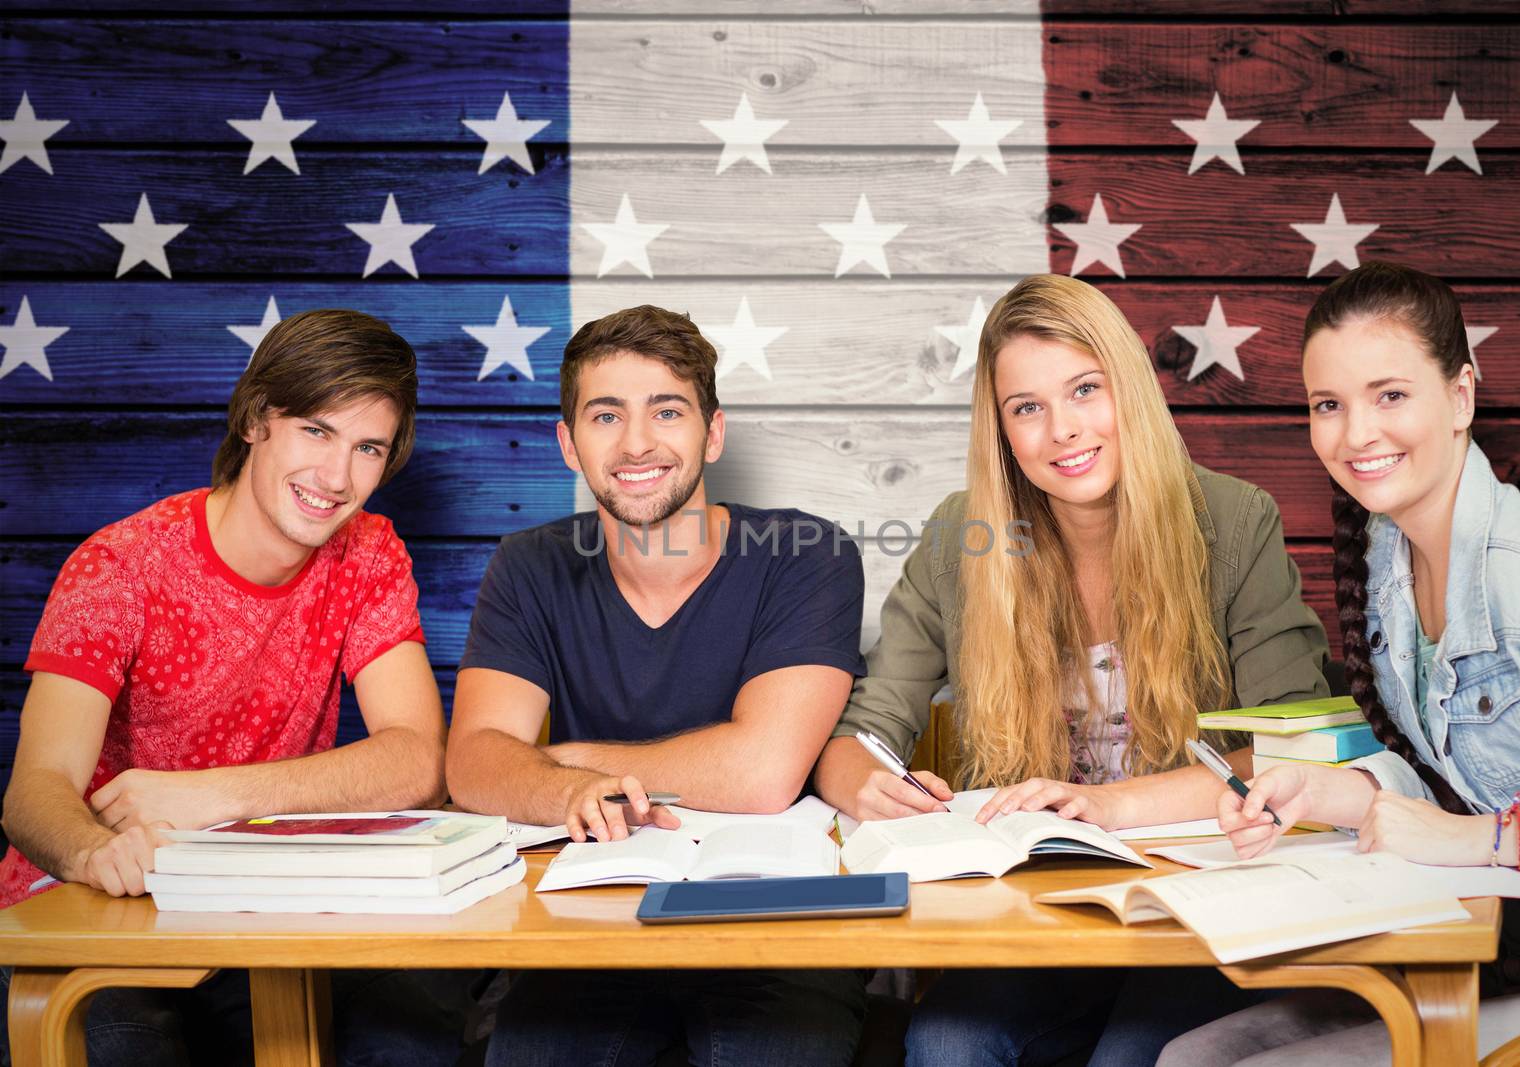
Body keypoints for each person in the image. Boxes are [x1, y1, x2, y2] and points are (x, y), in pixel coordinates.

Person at [812, 273, 1332, 1067]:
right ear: (1003, 430)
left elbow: (1298, 744)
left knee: (1129, 1055)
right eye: (1028, 407)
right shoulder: (962, 538)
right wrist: (864, 783)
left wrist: (1106, 804)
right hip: (1042, 911)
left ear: (1126, 387)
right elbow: (862, 730)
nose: (1063, 430)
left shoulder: (1233, 519)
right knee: (945, 1039)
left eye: (1085, 389)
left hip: (1199, 905)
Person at [1157, 263, 1520, 1065]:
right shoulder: (1389, 556)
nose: (1356, 433)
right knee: (1193, 1058)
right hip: (1486, 952)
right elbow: (1444, 782)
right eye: (1329, 404)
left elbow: (1465, 825)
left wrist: (1482, 840)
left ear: (1461, 395)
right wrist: (1337, 794)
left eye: (1389, 394)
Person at [0, 309, 463, 1066]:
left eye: (367, 447)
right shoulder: (119, 566)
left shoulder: (369, 553)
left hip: (256, 909)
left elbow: (418, 761)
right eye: (317, 430)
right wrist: (92, 852)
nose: (337, 477)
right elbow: (35, 791)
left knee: (410, 1033)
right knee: (126, 1049)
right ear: (257, 420)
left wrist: (216, 797)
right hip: (97, 909)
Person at [446, 304, 869, 1066]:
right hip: (592, 920)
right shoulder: (530, 564)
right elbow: (475, 760)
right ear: (569, 445)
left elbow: (763, 773)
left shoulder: (807, 556)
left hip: (774, 923)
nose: (637, 442)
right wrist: (559, 788)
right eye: (606, 415)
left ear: (712, 433)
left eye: (666, 411)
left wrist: (567, 761)